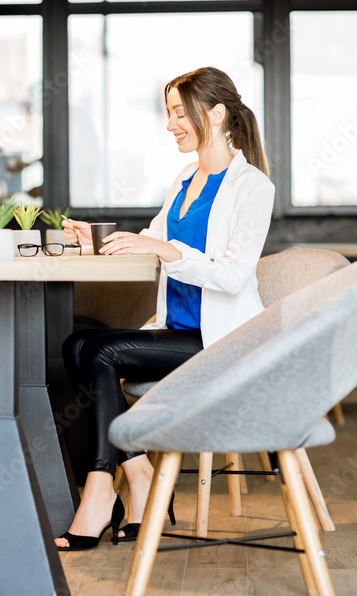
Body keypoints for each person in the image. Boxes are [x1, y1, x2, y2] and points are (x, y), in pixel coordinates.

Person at [55, 66, 275, 550]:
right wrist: (95, 240)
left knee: (99, 354)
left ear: (215, 114)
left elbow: (234, 273)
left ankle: (99, 490)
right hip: (177, 331)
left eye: (180, 112)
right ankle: (137, 473)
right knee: (75, 347)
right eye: (169, 113)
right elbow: (150, 241)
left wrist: (170, 252)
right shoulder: (185, 179)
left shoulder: (252, 187)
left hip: (219, 341)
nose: (171, 123)